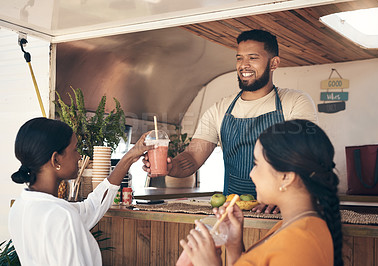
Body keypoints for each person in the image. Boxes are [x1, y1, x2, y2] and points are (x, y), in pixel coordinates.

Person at [143, 29, 317, 213]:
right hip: (232, 213)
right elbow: (192, 157)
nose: (244, 65)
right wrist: (171, 166)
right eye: (239, 58)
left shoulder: (295, 102)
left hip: (280, 212)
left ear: (274, 63)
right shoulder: (220, 109)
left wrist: (284, 193)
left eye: (253, 58)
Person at [179, 119, 343, 266]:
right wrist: (234, 246)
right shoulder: (290, 225)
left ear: (286, 177)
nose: (251, 174)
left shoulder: (300, 242)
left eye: (256, 164)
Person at [9, 117, 152, 266]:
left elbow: (91, 207)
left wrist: (129, 157)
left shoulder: (20, 207)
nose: (79, 156)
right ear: (56, 159)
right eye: (75, 149)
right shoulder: (62, 216)